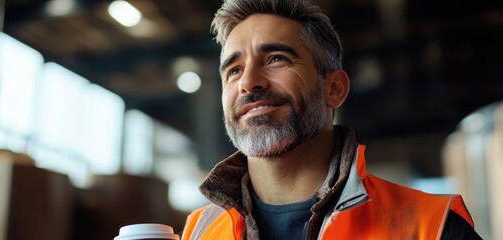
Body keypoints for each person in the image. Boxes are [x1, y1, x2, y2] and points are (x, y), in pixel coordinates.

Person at [181, 0, 481, 239]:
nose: (248, 82)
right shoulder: (198, 231)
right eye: (233, 70)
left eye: (276, 59)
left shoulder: (431, 226)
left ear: (334, 89)